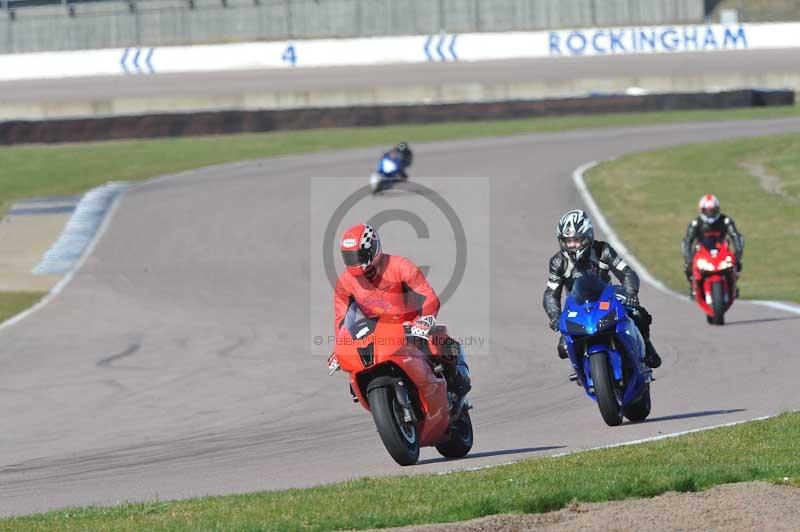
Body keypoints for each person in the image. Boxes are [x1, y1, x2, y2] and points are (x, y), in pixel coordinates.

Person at [328, 223, 470, 400]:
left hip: (412, 325)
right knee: (355, 376)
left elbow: (428, 296)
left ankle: (457, 381)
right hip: (378, 333)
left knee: (442, 347)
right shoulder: (345, 283)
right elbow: (342, 321)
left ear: (373, 249)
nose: (354, 261)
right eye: (349, 257)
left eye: (359, 255)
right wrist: (340, 347)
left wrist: (425, 319)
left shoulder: (400, 266)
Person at [543, 209, 662, 370]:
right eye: (568, 241)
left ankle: (647, 349)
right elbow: (551, 293)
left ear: (588, 236)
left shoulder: (603, 250)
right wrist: (555, 316)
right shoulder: (558, 262)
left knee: (638, 314)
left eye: (576, 240)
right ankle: (581, 371)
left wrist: (630, 293)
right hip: (577, 307)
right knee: (563, 348)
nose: (572, 245)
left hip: (607, 297)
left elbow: (626, 272)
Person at [681, 194, 744, 297]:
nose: (710, 214)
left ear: (718, 209)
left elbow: (736, 236)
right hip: (701, 251)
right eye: (707, 211)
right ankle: (693, 287)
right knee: (688, 267)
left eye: (713, 211)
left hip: (721, 250)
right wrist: (689, 259)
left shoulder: (725, 221)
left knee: (736, 264)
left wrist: (737, 254)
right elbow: (687, 241)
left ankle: (733, 285)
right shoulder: (696, 223)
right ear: (702, 210)